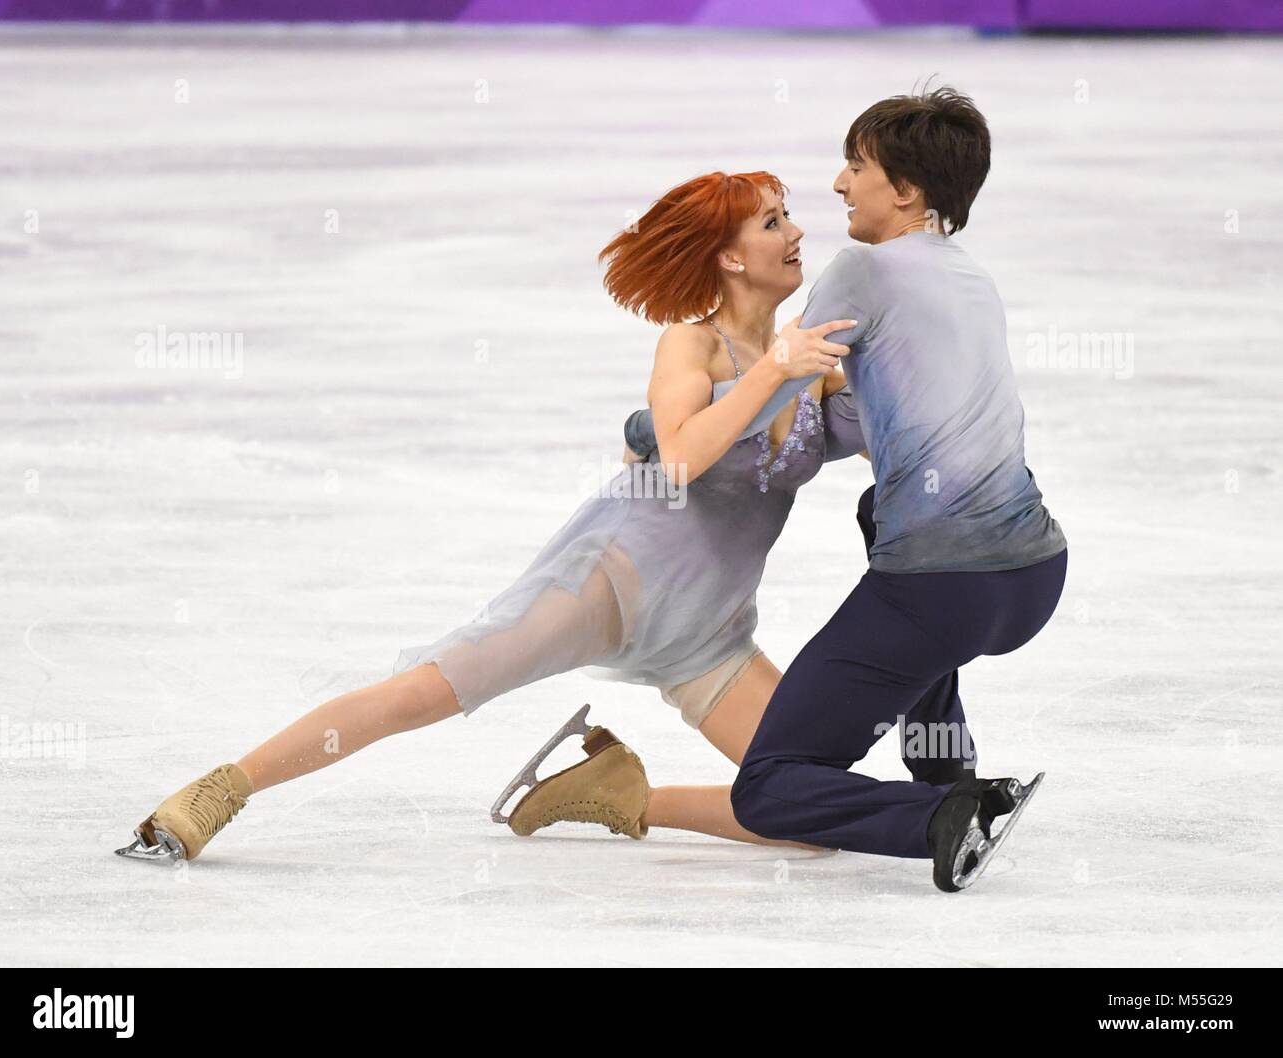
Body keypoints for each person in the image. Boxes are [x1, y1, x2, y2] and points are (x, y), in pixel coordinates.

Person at [115, 170, 877, 864]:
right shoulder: (694, 345)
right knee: (425, 691)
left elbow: (891, 436)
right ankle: (221, 790)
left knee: (808, 806)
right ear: (731, 258)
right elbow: (678, 456)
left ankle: (621, 796)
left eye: (788, 216)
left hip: (709, 634)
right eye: (774, 221)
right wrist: (775, 372)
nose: (798, 232)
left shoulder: (807, 366)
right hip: (611, 581)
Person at [627, 87, 1068, 892]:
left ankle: (937, 819)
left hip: (942, 592)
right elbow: (860, 423)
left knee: (770, 786)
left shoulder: (862, 269)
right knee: (879, 508)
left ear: (904, 190)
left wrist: (648, 430)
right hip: (1035, 579)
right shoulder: (972, 280)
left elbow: (777, 402)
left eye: (855, 166)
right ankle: (945, 773)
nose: (837, 184)